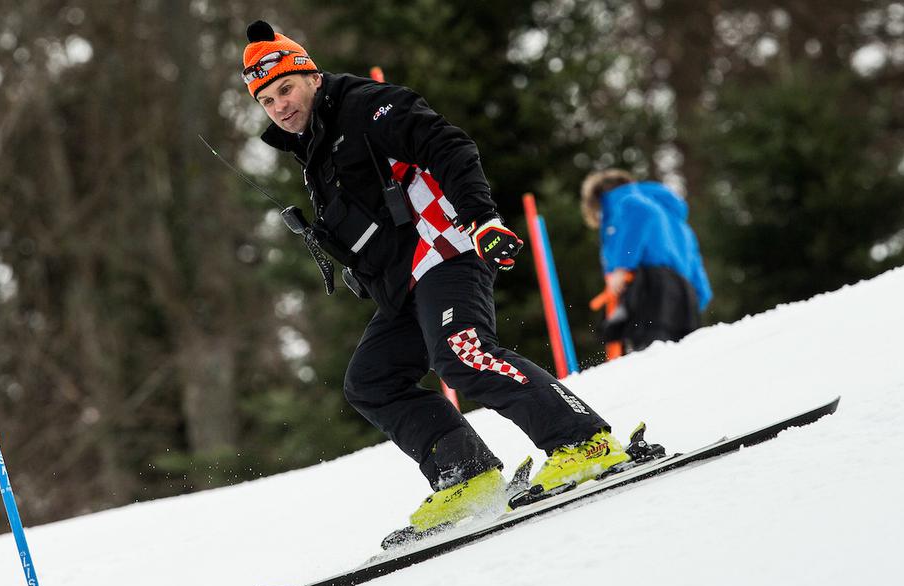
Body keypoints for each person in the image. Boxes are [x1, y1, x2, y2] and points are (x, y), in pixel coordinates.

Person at [241, 21, 630, 536]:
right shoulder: (313, 149)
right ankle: (466, 472)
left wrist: (482, 218)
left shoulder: (365, 106)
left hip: (445, 251)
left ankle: (584, 441)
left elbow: (448, 145)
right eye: (266, 101)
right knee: (371, 381)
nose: (279, 106)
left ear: (311, 77)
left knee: (461, 352)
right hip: (405, 284)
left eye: (285, 89)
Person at [581, 169, 713, 353]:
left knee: (649, 353)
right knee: (681, 358)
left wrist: (621, 266)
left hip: (651, 287)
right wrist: (699, 297)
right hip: (684, 294)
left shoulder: (624, 201)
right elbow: (694, 261)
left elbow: (642, 213)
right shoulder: (675, 220)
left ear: (598, 198)